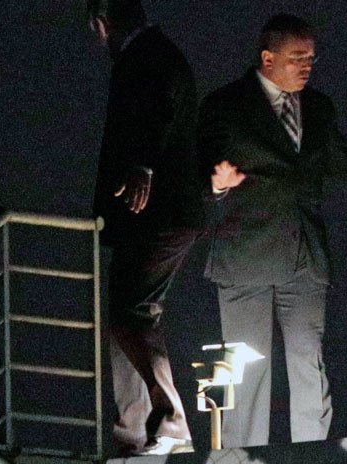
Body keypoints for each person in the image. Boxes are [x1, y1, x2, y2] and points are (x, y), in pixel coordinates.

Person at [198, 14, 347, 446]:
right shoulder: (227, 104)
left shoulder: (318, 108)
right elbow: (196, 166)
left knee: (308, 364)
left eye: (311, 58)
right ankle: (242, 456)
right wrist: (216, 184)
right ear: (268, 58)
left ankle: (312, 454)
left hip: (303, 259)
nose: (307, 66)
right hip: (245, 257)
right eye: (297, 57)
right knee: (247, 370)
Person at [88, 0, 203, 455]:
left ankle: (170, 421)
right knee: (128, 314)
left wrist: (143, 165)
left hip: (160, 214)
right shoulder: (155, 54)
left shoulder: (148, 56)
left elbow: (159, 108)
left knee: (129, 313)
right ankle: (134, 431)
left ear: (101, 25)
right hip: (150, 216)